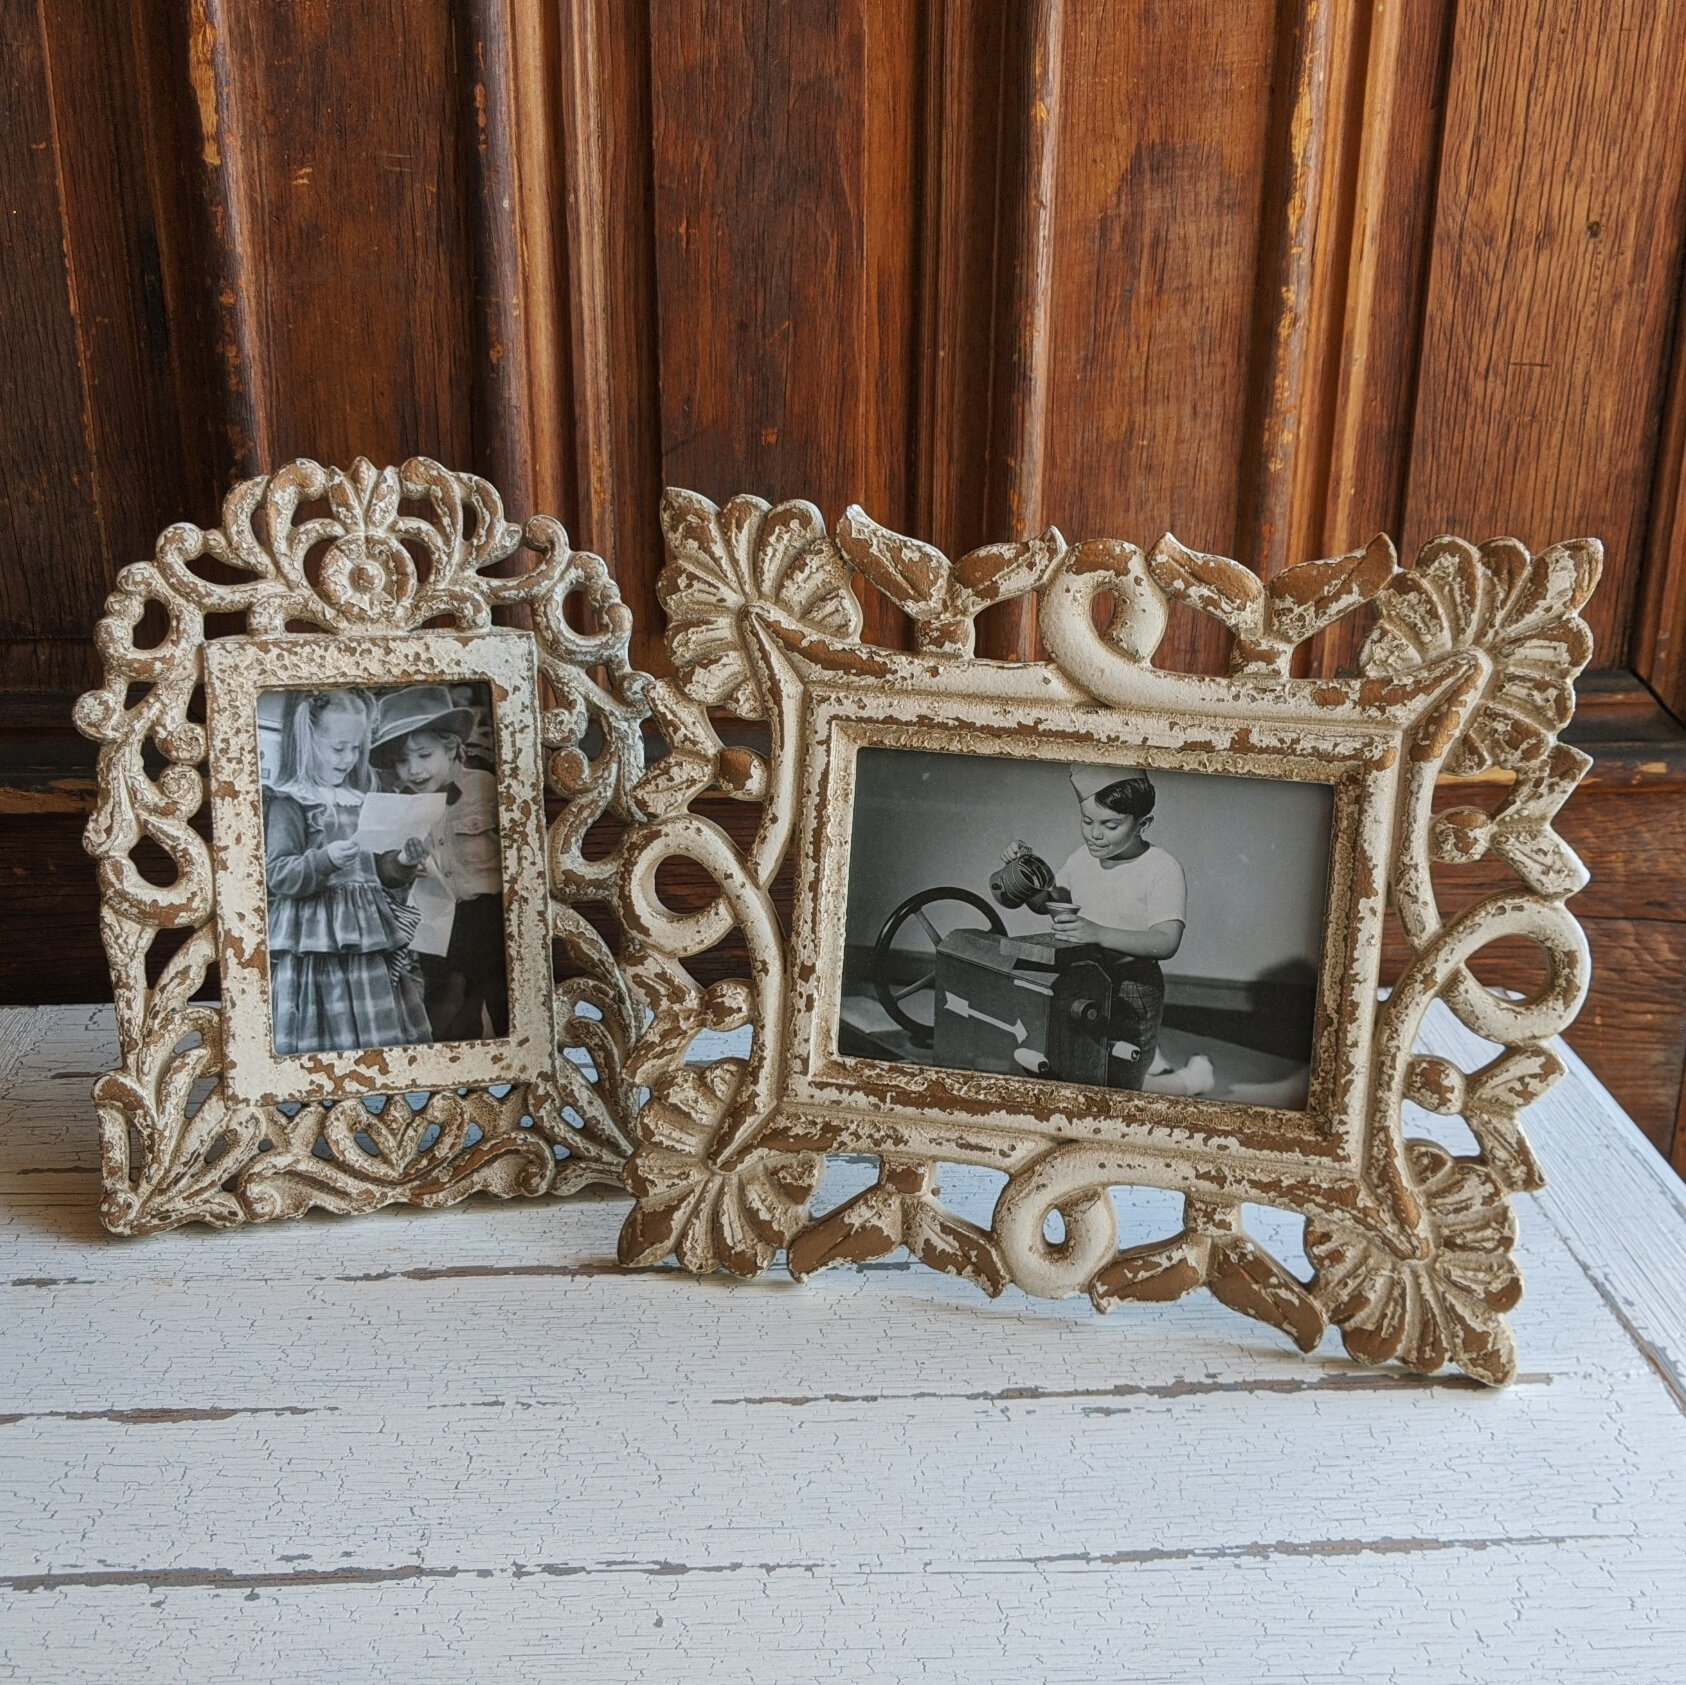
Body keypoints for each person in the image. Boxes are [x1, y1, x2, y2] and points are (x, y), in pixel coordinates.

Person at [262, 690, 432, 1056]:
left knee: (377, 1025)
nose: (349, 759)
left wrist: (401, 862)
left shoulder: (362, 799)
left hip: (366, 936)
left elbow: (376, 873)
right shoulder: (291, 801)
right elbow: (278, 874)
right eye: (338, 748)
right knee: (324, 1024)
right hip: (315, 943)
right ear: (308, 742)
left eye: (356, 749)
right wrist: (325, 860)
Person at [369, 686, 509, 1041]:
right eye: (402, 760)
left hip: (491, 918)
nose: (414, 770)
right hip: (437, 922)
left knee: (502, 996)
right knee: (448, 1004)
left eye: (424, 755)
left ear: (450, 748)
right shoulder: (398, 809)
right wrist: (402, 863)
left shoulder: (487, 788)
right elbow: (385, 869)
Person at [1051, 766, 1187, 1091]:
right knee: (1075, 1065)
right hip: (1081, 981)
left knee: (1123, 1080)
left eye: (1110, 826)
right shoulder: (1080, 859)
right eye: (1087, 821)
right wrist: (1026, 875)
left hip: (1132, 988)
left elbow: (1167, 941)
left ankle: (1190, 1078)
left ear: (1142, 824)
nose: (1094, 834)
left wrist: (1099, 934)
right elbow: (1052, 902)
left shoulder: (1161, 868)